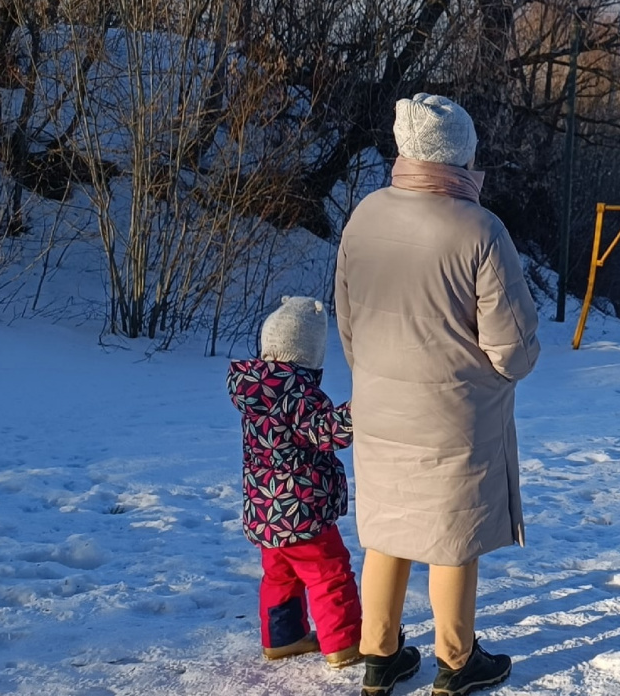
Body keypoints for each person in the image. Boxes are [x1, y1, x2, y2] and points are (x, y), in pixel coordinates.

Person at [335, 93, 541, 696]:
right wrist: (510, 369)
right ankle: (456, 662)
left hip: (378, 407)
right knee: (452, 538)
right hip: (456, 416)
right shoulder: (479, 229)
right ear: (462, 155)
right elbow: (512, 347)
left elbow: (348, 324)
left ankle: (379, 657)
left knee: (387, 531)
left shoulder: (364, 215)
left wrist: (375, 376)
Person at [226, 296, 363, 670]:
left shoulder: (255, 392)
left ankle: (282, 639)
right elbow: (327, 432)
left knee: (279, 575)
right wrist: (363, 406)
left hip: (265, 511)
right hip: (302, 509)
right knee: (329, 572)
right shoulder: (297, 393)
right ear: (310, 354)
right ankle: (344, 642)